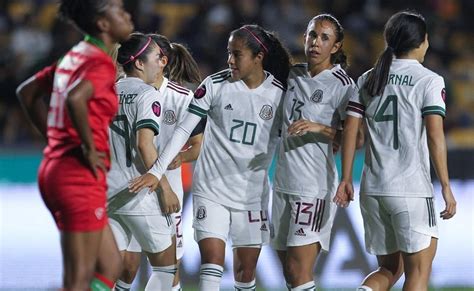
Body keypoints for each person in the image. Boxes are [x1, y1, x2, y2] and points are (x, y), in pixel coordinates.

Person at [129, 24, 291, 291]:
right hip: (211, 189)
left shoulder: (279, 95)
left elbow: (289, 139)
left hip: (251, 194)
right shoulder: (215, 85)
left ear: (258, 57)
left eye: (237, 54)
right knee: (212, 264)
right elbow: (183, 130)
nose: (229, 60)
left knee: (245, 271)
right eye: (228, 53)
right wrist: (156, 171)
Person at [334, 11, 457, 291]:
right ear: (422, 42)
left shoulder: (367, 78)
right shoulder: (429, 80)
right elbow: (435, 137)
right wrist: (446, 186)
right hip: (411, 188)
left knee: (388, 269)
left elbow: (351, 130)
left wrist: (345, 178)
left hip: (373, 189)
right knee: (418, 274)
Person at [15, 0, 133, 290]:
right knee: (78, 278)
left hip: (60, 168)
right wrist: (89, 148)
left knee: (110, 265)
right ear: (103, 24)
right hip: (76, 175)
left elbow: (27, 92)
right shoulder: (100, 62)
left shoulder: (74, 56)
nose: (127, 14)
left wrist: (55, 138)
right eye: (119, 11)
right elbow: (76, 98)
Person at [271, 14, 362, 291]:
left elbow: (356, 138)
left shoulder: (343, 84)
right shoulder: (292, 76)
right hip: (283, 182)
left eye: (324, 38)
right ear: (304, 37)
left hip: (313, 186)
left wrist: (320, 128)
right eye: (312, 35)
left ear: (335, 47)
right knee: (289, 272)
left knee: (299, 270)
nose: (316, 42)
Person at [113, 33, 205, 291]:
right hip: (143, 190)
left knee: (159, 268)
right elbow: (145, 144)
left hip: (157, 191)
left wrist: (181, 157)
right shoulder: (141, 92)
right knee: (137, 267)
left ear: (163, 61)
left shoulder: (183, 97)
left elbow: (198, 146)